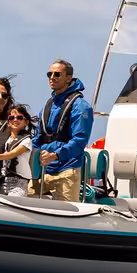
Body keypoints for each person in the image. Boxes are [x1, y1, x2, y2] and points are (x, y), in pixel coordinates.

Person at [35, 59, 94, 202]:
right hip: (42, 171)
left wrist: (55, 155)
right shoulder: (48, 105)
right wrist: (33, 153)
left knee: (66, 213)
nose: (52, 77)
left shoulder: (81, 106)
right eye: (50, 74)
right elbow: (37, 136)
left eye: (57, 74)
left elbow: (79, 141)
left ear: (68, 78)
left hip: (66, 171)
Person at [0, 105, 35, 195]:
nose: (15, 120)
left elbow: (14, 153)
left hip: (19, 184)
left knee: (14, 199)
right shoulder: (3, 141)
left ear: (26, 122)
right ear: (8, 122)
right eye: (11, 117)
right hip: (1, 182)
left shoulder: (27, 140)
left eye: (19, 117)